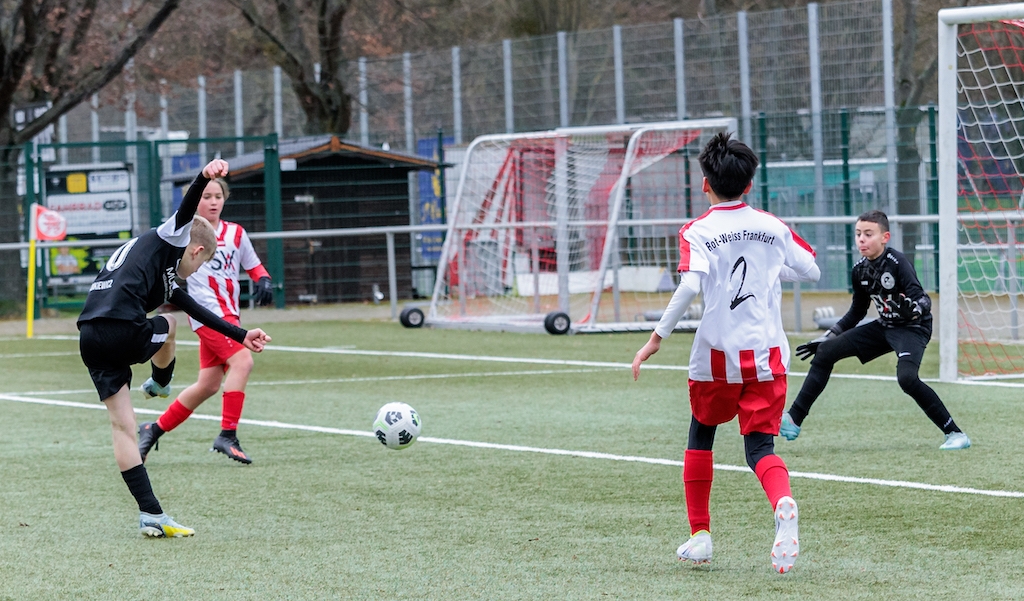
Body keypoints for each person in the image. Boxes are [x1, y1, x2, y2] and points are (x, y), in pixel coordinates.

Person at [632, 132, 820, 574]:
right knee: (760, 448)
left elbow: (689, 285)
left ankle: (700, 536)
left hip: (716, 357)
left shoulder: (697, 230)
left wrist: (657, 337)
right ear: (749, 184)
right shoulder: (772, 226)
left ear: (705, 183)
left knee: (701, 434)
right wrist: (769, 266)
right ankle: (782, 499)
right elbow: (811, 270)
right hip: (767, 357)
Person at [77, 159, 271, 538]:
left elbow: (196, 307)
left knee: (124, 427)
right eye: (201, 265)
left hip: (90, 336)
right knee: (169, 325)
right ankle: (161, 382)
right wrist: (204, 175)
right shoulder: (170, 237)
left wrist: (241, 334)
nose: (196, 272)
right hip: (122, 328)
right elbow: (187, 208)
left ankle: (151, 514)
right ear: (195, 251)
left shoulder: (160, 269)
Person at [781, 210, 971, 451]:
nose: (861, 239)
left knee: (907, 379)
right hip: (885, 326)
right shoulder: (859, 270)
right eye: (858, 234)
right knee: (826, 352)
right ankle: (794, 419)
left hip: (913, 328)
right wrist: (828, 336)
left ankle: (955, 433)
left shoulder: (897, 262)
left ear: (885, 237)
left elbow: (923, 300)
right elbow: (856, 312)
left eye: (868, 234)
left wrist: (913, 309)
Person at [138, 177, 274, 465]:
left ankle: (153, 429)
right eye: (206, 196)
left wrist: (263, 280)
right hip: (208, 316)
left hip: (230, 315)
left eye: (218, 197)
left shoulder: (236, 233)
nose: (213, 202)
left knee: (208, 385)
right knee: (243, 362)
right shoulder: (187, 234)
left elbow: (253, 265)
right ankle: (228, 435)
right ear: (196, 199)